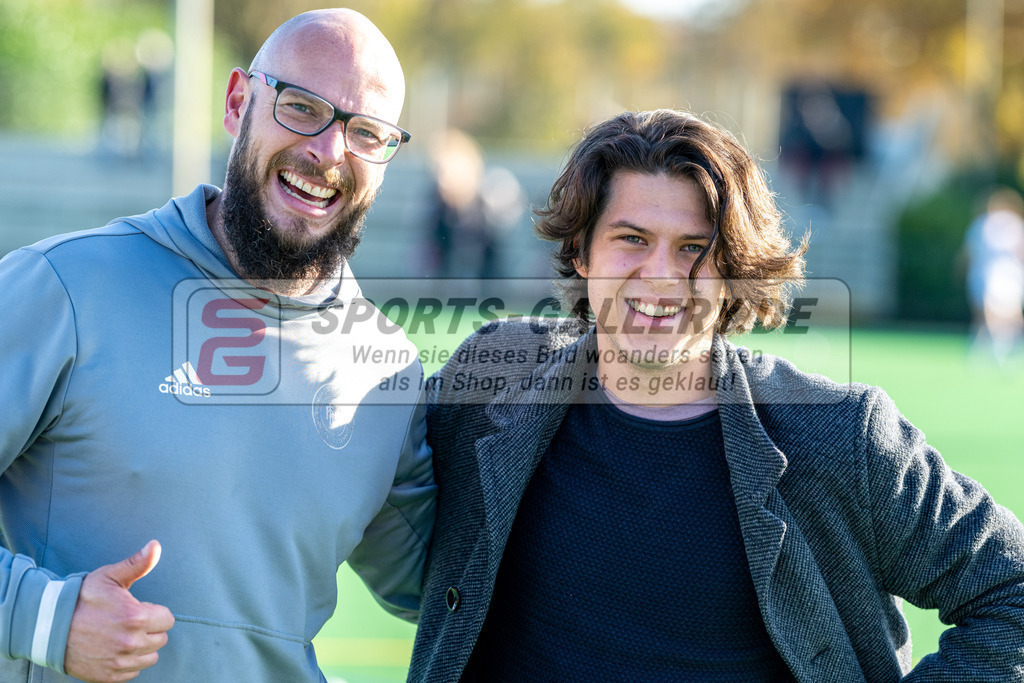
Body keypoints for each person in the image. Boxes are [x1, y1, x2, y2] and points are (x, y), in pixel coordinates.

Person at [408, 109, 1024, 681]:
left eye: (694, 250)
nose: (661, 275)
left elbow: (1011, 591)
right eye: (632, 239)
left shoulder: (838, 434)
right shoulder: (492, 379)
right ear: (581, 252)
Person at [0, 9, 434, 682]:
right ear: (238, 103)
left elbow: (443, 582)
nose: (328, 151)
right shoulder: (62, 287)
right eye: (301, 108)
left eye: (367, 133)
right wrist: (42, 616)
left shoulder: (389, 372)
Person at [963, 186, 1024, 364]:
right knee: (985, 314)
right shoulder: (982, 224)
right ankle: (988, 346)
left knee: (1009, 314)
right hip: (986, 275)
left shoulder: (1012, 224)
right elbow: (970, 252)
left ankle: (1003, 345)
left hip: (1008, 275)